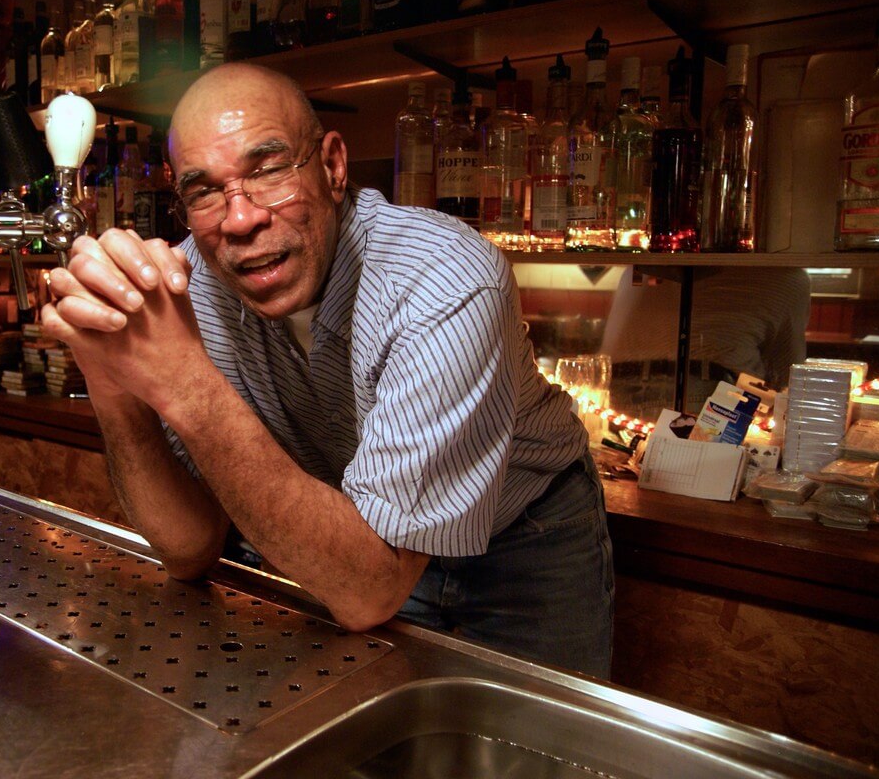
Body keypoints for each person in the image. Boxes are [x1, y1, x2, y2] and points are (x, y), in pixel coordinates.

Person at [42, 64, 615, 678]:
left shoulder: (444, 279)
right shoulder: (186, 288)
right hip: (352, 536)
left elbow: (371, 589)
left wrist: (187, 386)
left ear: (334, 168)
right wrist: (110, 379)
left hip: (525, 538)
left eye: (267, 170)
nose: (240, 220)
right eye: (205, 190)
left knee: (542, 761)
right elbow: (188, 550)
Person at [601, 266, 811, 421]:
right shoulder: (788, 275)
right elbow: (788, 373)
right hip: (711, 389)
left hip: (616, 387)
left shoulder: (640, 269)